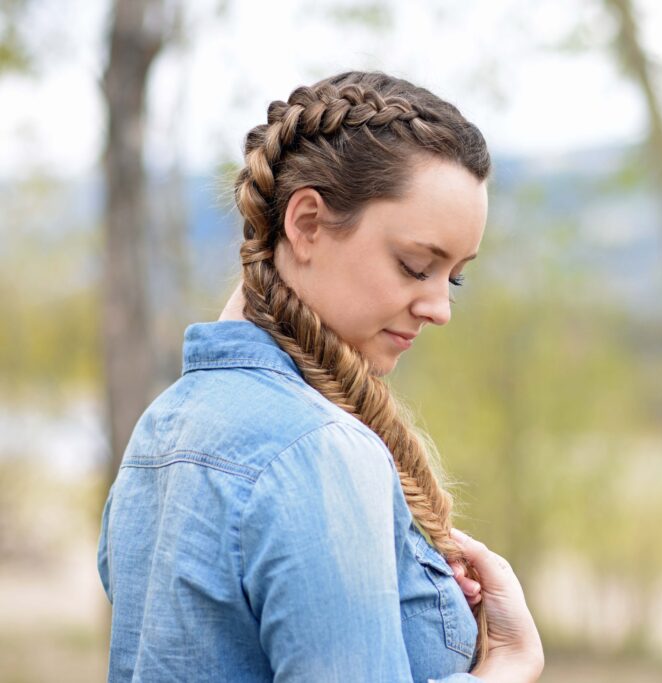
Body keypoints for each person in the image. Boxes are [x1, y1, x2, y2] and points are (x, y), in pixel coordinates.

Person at [96, 70, 544, 682]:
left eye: (455, 277)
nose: (441, 307)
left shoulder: (161, 430)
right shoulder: (317, 450)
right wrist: (511, 667)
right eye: (416, 266)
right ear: (306, 223)